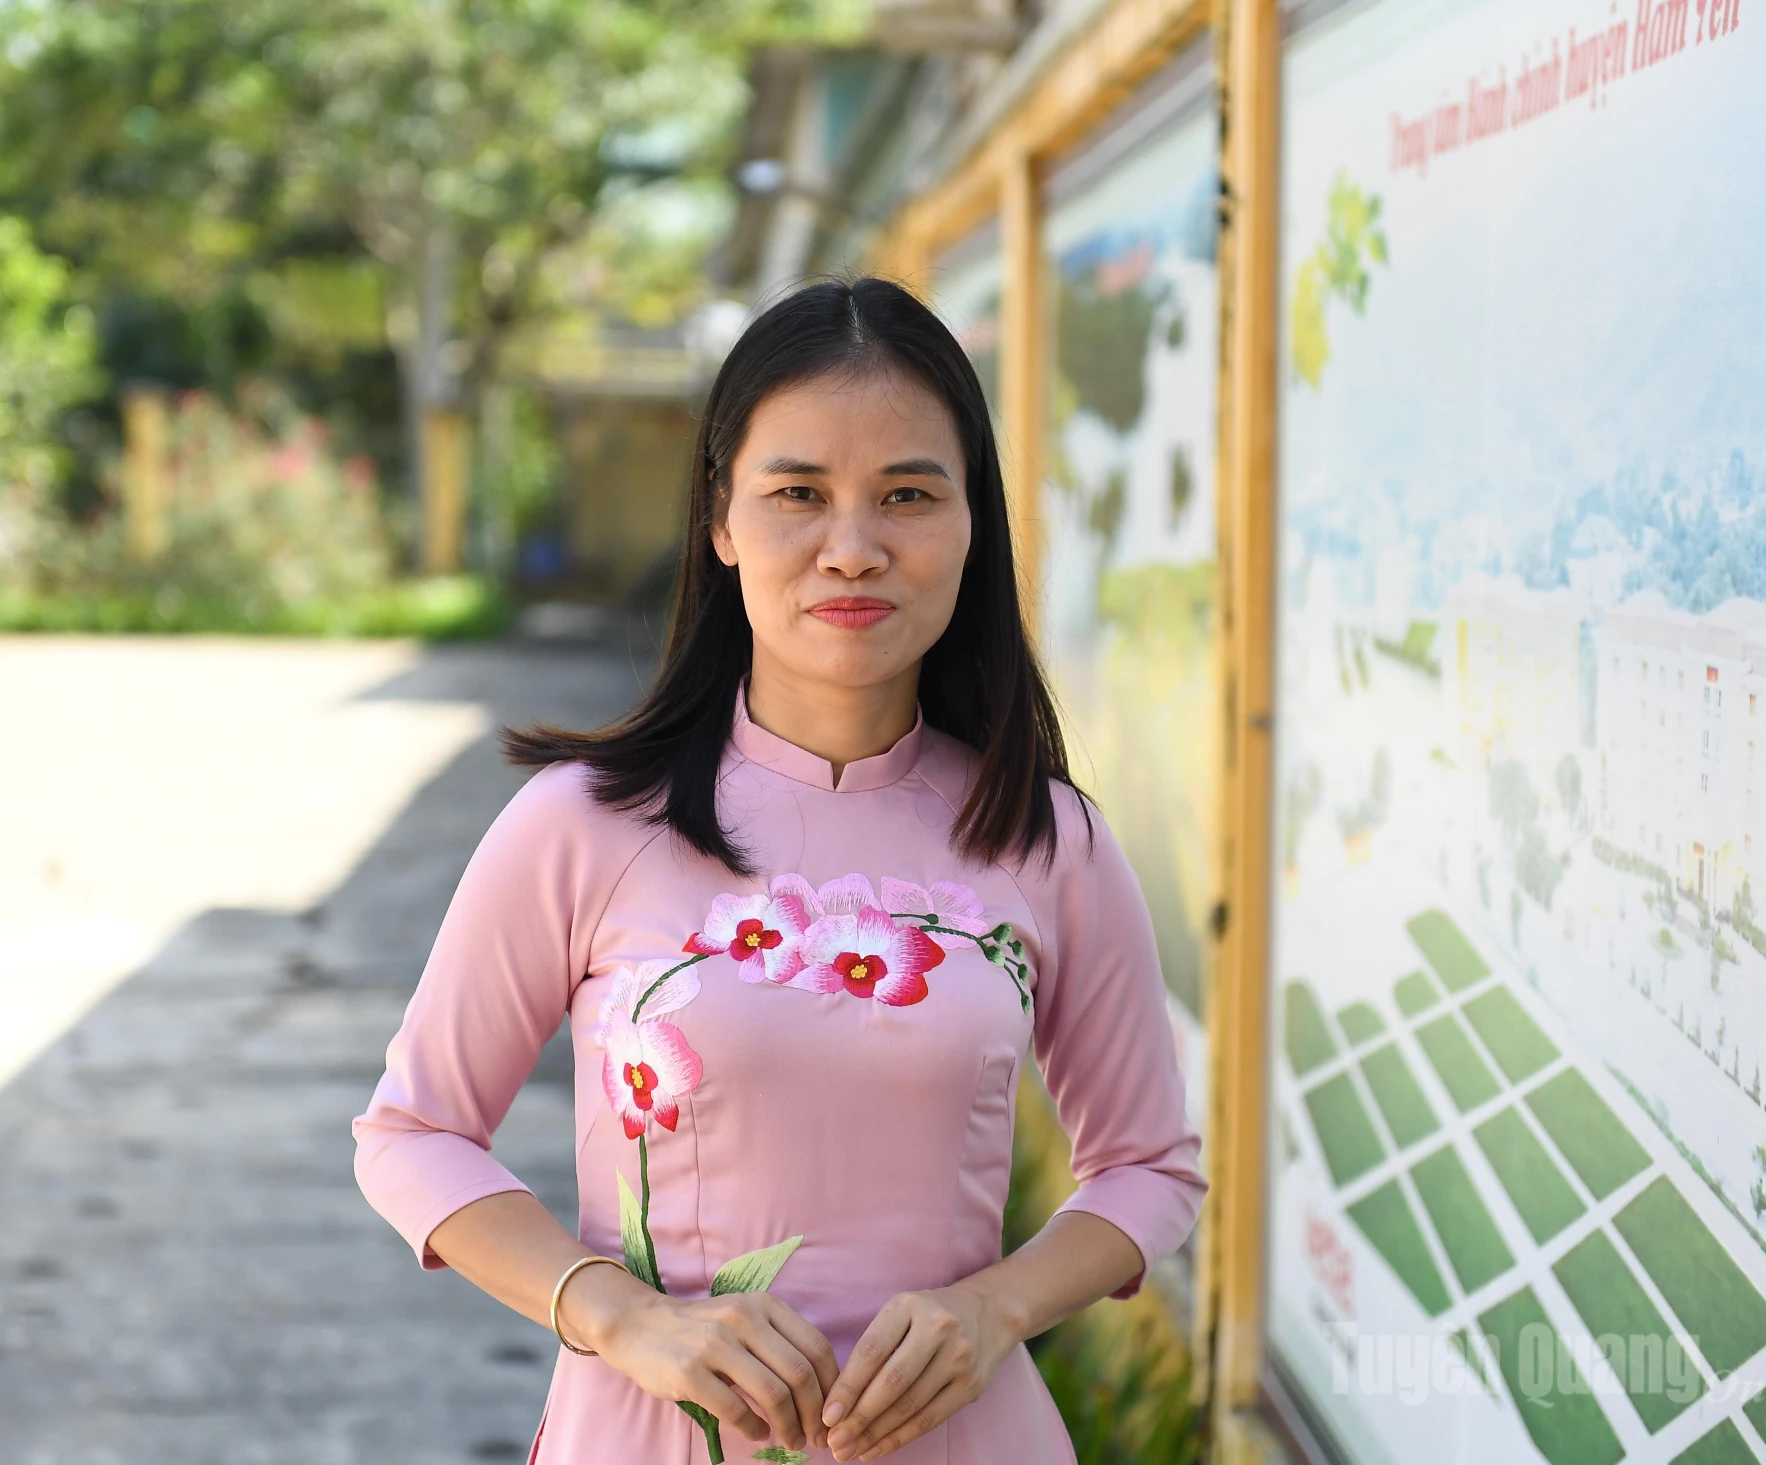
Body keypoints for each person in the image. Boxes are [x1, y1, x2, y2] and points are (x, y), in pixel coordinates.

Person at [352, 276, 1205, 1464]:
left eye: (909, 495)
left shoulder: (1044, 837)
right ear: (721, 518)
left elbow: (1150, 1167)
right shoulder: (584, 825)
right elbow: (413, 1133)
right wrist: (621, 1316)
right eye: (798, 493)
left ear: (973, 522)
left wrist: (998, 1308)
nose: (852, 550)